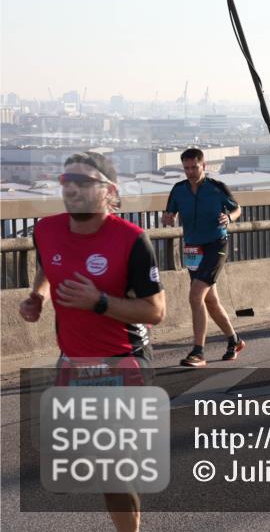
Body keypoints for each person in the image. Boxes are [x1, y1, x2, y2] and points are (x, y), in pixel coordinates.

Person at [19, 151, 166, 532]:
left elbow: (154, 311)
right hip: (73, 362)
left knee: (112, 469)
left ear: (110, 192)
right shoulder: (45, 229)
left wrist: (98, 302)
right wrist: (39, 295)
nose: (73, 188)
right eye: (67, 180)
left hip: (123, 361)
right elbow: (47, 266)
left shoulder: (132, 240)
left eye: (84, 182)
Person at [162, 148, 244, 366]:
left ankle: (198, 352)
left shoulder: (217, 188)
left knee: (196, 295)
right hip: (192, 249)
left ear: (204, 166)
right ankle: (234, 340)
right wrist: (167, 217)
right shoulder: (178, 190)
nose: (190, 172)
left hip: (216, 245)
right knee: (211, 300)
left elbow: (237, 209)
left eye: (194, 167)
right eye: (186, 168)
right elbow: (170, 212)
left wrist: (229, 217)